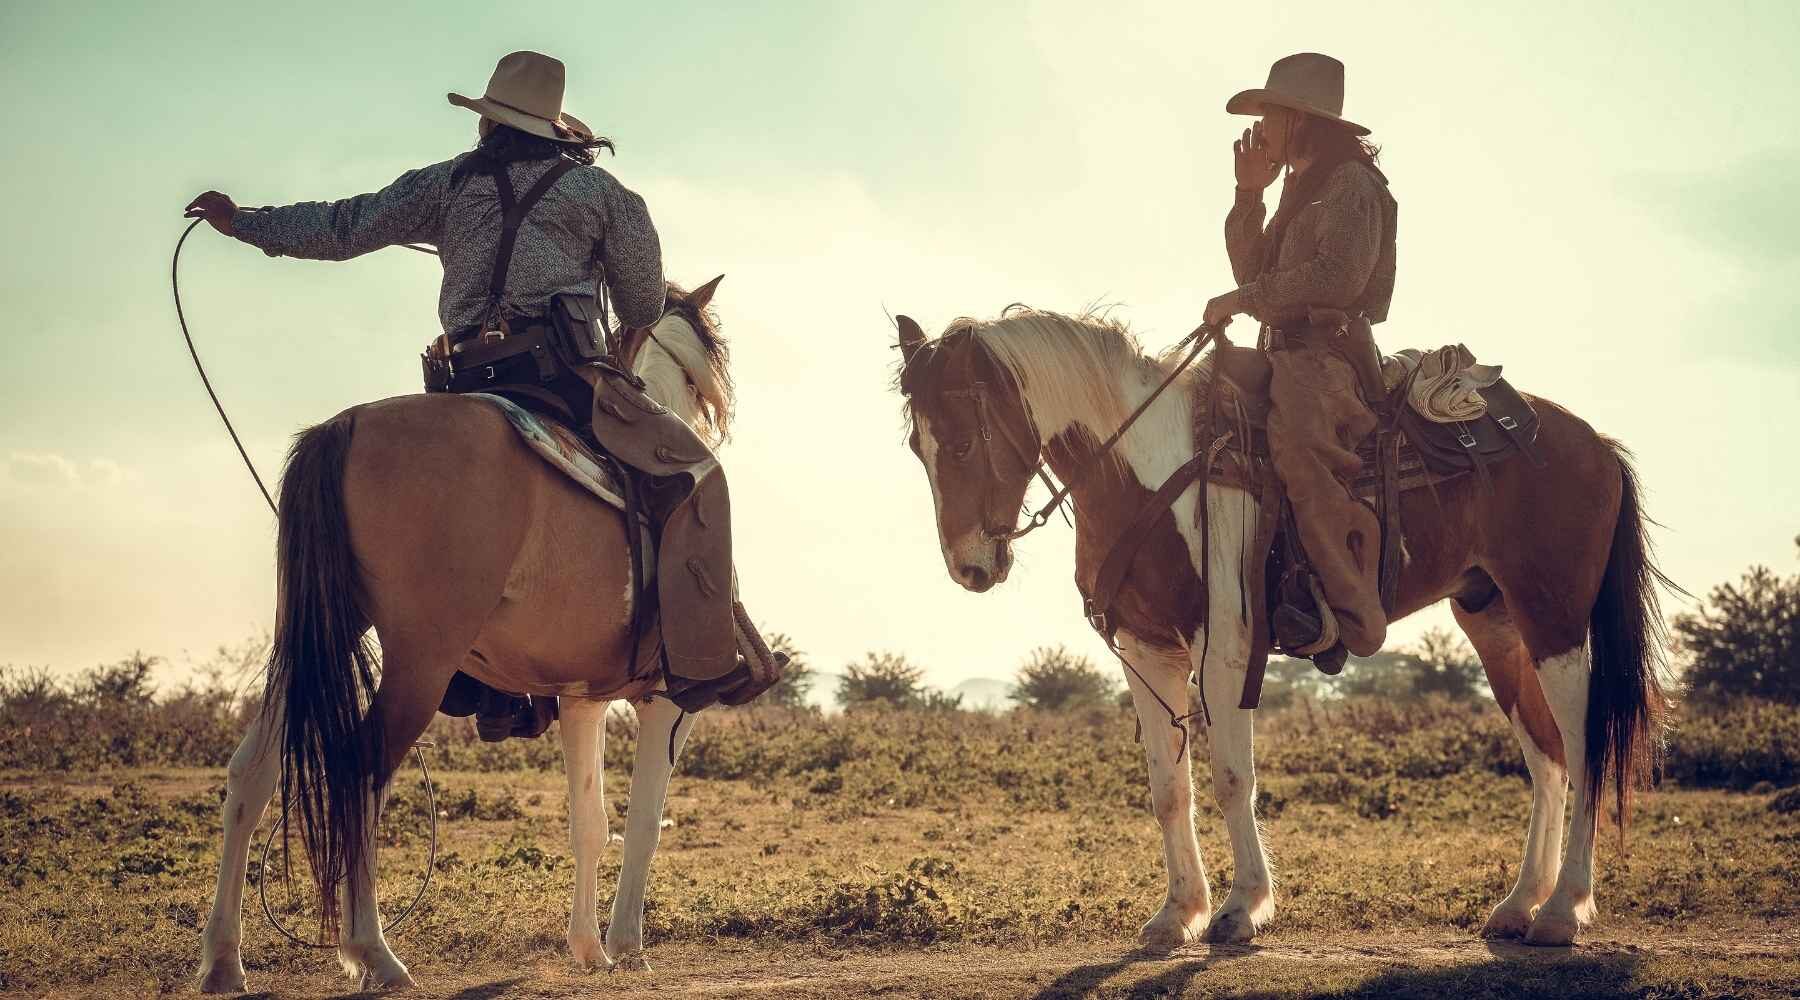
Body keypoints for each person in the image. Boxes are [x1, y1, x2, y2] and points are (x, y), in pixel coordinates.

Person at [185, 51, 764, 719]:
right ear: (553, 127)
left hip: (464, 380)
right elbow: (640, 307)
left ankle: (486, 683)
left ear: (488, 123)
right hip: (565, 378)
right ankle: (698, 660)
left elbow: (344, 226)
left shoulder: (447, 185)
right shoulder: (602, 195)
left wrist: (245, 223)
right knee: (697, 472)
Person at [1201, 53, 1399, 665]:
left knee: (1300, 453)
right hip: (1282, 352)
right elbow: (1254, 269)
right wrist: (1247, 196)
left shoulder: (1354, 187)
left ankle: (1348, 615)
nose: (1261, 129)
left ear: (1302, 121)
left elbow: (1336, 278)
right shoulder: (1294, 187)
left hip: (1325, 359)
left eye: (1271, 115)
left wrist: (1245, 299)